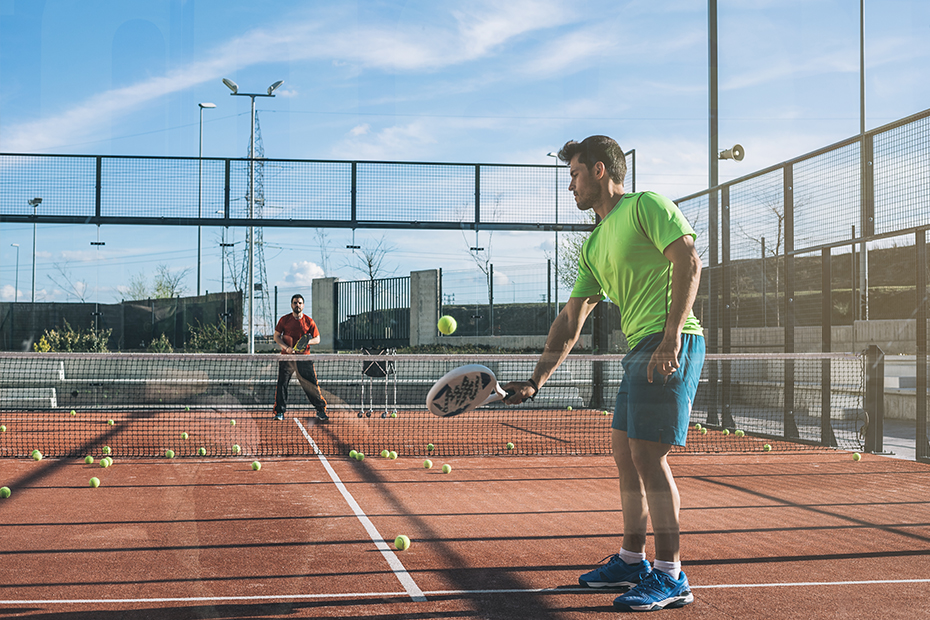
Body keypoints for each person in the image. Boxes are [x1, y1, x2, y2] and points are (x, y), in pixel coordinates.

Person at [503, 135, 704, 612]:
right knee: (624, 454)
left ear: (598, 170)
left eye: (573, 174)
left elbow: (689, 262)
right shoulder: (593, 245)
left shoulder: (645, 206)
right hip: (638, 349)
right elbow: (570, 321)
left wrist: (673, 334)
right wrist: (536, 381)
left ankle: (671, 574)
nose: (570, 186)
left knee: (649, 457)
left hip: (670, 339)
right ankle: (633, 559)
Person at [272, 294, 329, 422]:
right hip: (286, 359)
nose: (297, 305)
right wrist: (286, 348)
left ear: (303, 305)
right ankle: (279, 412)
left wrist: (307, 343)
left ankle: (320, 410)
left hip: (304, 359)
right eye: (295, 303)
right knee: (282, 385)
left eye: (299, 303)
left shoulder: (309, 321)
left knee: (311, 385)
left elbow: (317, 339)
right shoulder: (284, 320)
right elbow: (276, 336)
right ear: (291, 305)